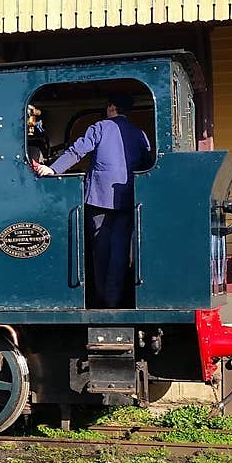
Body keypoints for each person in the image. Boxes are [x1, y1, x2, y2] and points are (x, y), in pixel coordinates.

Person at [31, 93, 151, 308]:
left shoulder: (99, 127)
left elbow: (77, 151)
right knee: (121, 250)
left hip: (99, 197)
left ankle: (101, 298)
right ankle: (116, 299)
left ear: (111, 107)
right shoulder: (140, 134)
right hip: (129, 198)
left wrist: (52, 169)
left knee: (100, 249)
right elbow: (147, 164)